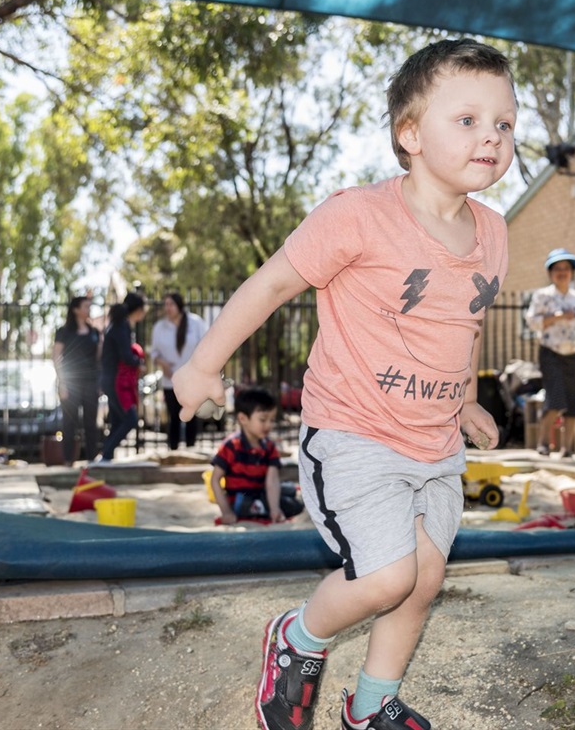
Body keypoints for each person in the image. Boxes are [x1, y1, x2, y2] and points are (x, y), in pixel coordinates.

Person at [173, 38, 515, 730]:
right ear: (410, 133)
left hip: (435, 443)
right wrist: (203, 364)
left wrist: (468, 397)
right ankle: (297, 638)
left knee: (421, 581)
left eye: (505, 124)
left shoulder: (495, 232)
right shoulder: (358, 214)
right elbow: (272, 282)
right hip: (356, 432)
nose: (492, 137)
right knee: (386, 576)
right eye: (469, 119)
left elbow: (460, 323)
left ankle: (370, 704)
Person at [524, 248, 575, 457]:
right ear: (550, 272)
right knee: (555, 398)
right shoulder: (542, 296)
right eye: (557, 268)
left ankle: (567, 448)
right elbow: (532, 322)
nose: (562, 272)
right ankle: (543, 443)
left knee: (573, 402)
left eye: (566, 268)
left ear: (571, 272)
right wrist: (557, 316)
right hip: (550, 352)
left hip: (574, 354)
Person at [208, 386, 303, 525]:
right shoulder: (231, 446)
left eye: (271, 420)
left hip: (261, 491)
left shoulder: (269, 447)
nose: (268, 425)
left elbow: (272, 481)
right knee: (293, 505)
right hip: (242, 499)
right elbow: (215, 480)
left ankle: (271, 505)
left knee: (289, 489)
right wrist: (226, 512)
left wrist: (275, 509)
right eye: (263, 420)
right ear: (243, 418)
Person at [150, 291, 208, 451]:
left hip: (192, 379)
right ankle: (173, 452)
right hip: (171, 381)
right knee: (173, 418)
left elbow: (206, 346)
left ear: (179, 305)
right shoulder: (159, 327)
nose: (167, 308)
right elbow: (154, 353)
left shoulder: (195, 323)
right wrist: (162, 363)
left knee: (191, 417)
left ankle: (191, 451)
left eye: (171, 304)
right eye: (165, 304)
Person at [52, 295, 102, 465]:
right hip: (71, 382)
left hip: (90, 382)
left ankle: (91, 459)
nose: (89, 310)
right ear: (75, 309)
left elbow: (99, 358)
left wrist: (99, 382)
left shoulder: (94, 332)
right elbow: (56, 357)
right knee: (69, 422)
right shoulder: (63, 332)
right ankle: (68, 459)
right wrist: (62, 382)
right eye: (86, 306)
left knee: (91, 421)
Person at [97, 292, 147, 462]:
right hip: (116, 382)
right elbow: (125, 355)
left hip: (110, 380)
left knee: (118, 420)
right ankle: (105, 455)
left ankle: (106, 455)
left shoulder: (117, 325)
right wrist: (138, 361)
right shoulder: (121, 327)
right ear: (138, 309)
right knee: (130, 420)